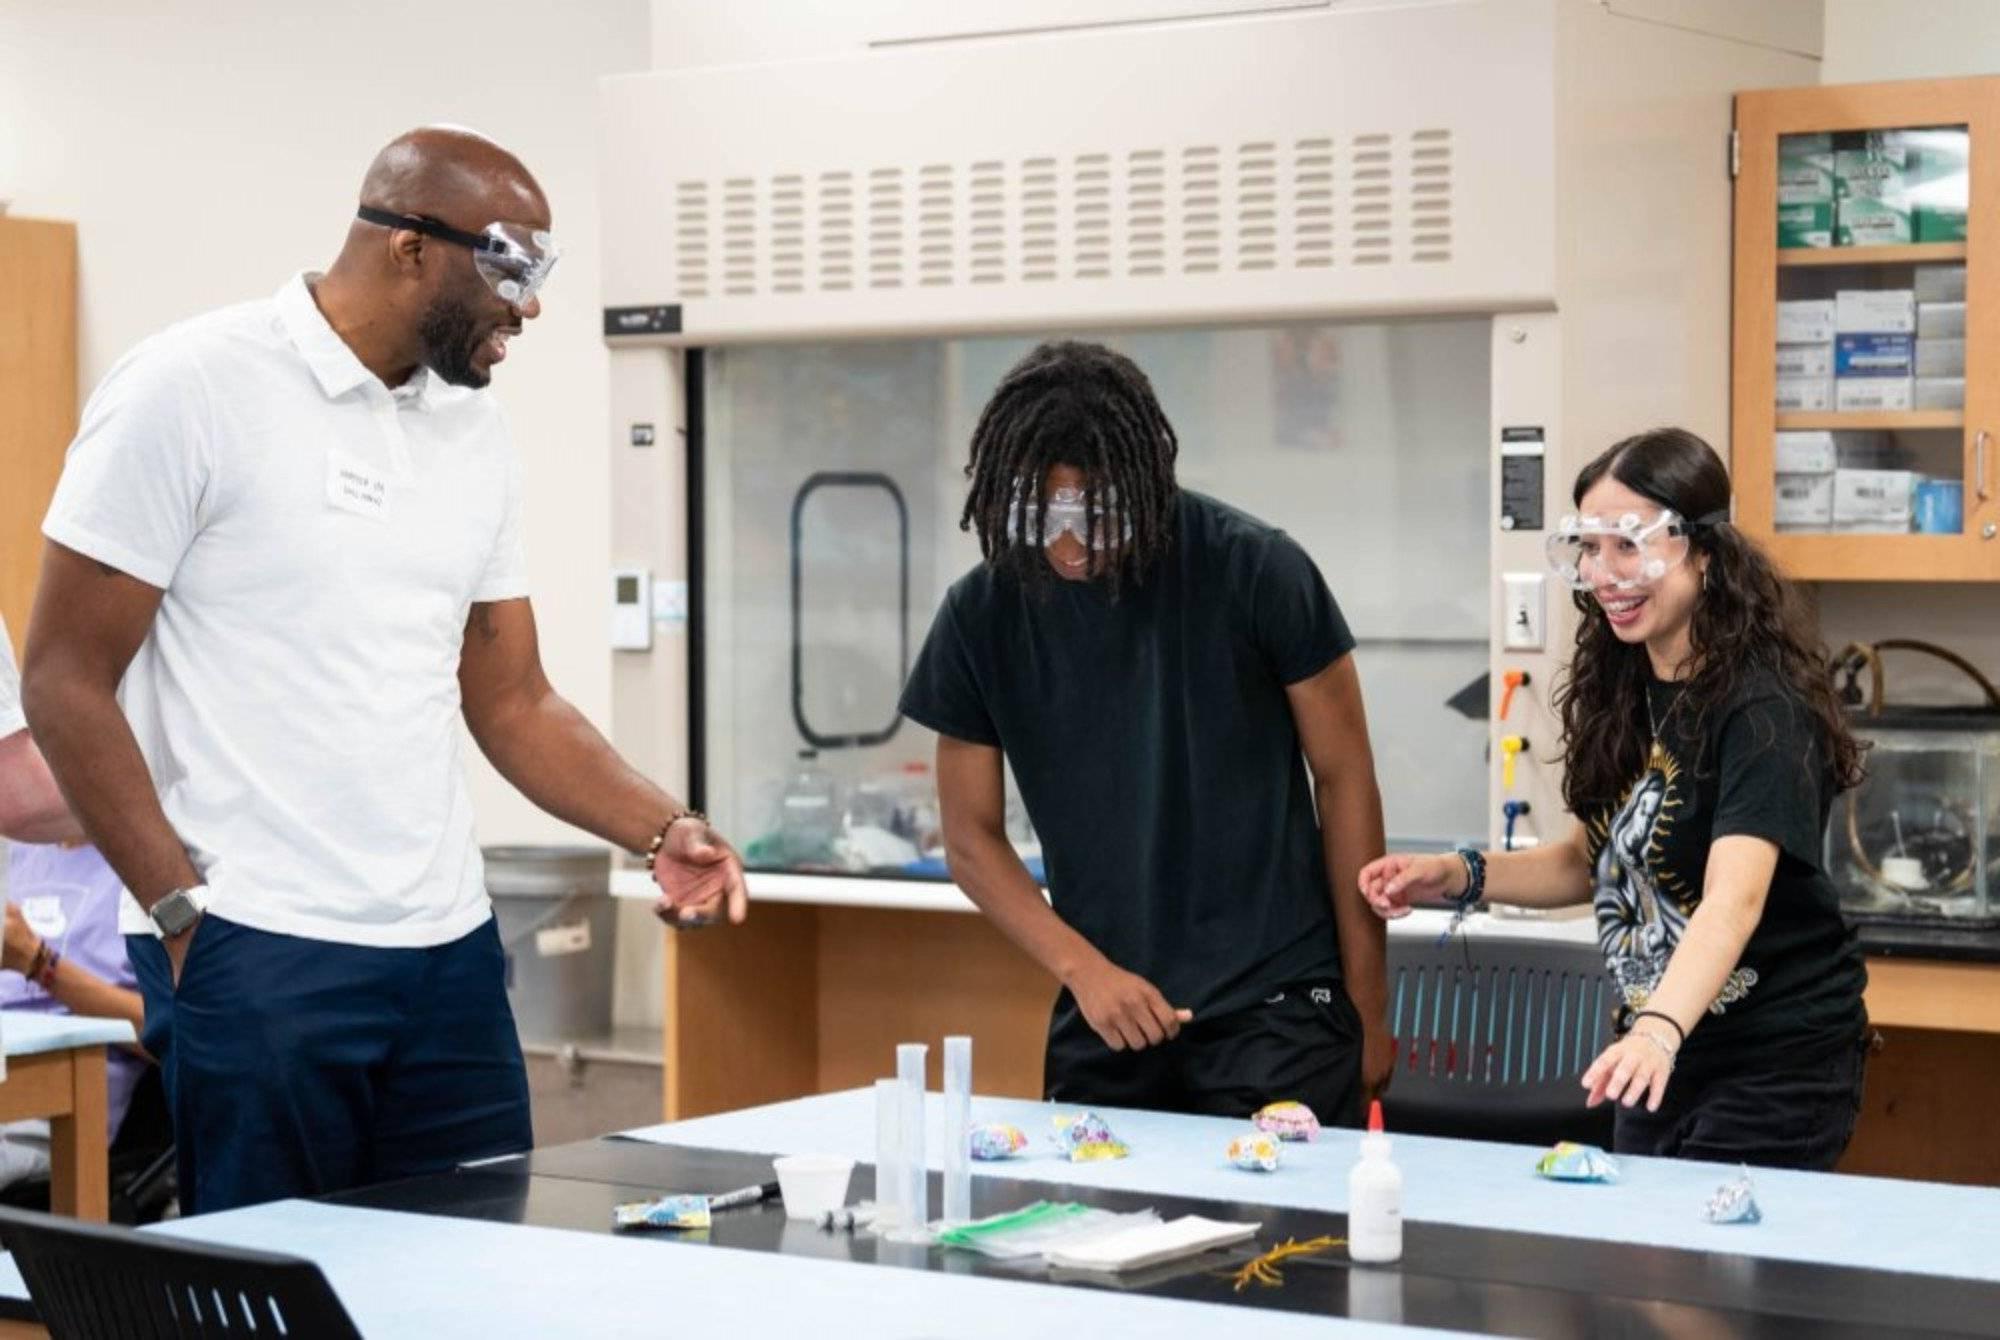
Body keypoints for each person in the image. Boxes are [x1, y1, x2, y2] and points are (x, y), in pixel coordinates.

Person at [20, 127, 748, 1215]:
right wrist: (179, 909)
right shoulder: (191, 386)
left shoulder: (473, 432)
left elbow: (513, 698)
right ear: (409, 245)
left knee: (469, 1281)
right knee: (276, 1291)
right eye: (509, 264)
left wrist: (659, 824)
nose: (529, 302)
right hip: (255, 943)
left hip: (445, 952)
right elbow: (64, 675)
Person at [900, 340, 1391, 1126]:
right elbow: (970, 839)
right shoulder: (980, 615)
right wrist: (1084, 972)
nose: (1070, 545)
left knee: (1279, 1249)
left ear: (1146, 486)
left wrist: (1368, 1007)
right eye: (1042, 516)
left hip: (1280, 1008)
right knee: (1091, 1241)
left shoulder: (1257, 569)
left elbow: (1345, 780)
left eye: (1098, 516)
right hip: (1111, 1011)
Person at [1360, 427, 1869, 1170]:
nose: (1605, 573)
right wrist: (1455, 874)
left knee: (1708, 1271)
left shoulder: (1763, 710)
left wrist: (1658, 1029)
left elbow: (1735, 900)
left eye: (1628, 545)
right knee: (1646, 1269)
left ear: (1702, 549)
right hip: (1653, 1050)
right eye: (1589, 548)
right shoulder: (1624, 688)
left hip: (1772, 1058)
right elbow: (1584, 862)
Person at [0, 614, 147, 1189]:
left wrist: (39, 964)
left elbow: (164, 1036)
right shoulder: (21, 843)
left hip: (58, 1109)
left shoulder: (145, 860)